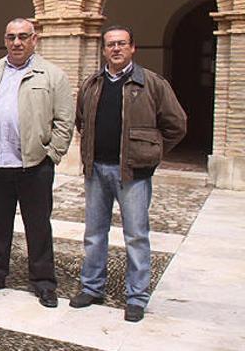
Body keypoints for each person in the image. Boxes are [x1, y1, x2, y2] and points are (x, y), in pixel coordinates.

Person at [71, 25, 186, 323]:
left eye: (122, 43)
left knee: (136, 236)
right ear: (104, 49)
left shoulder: (151, 83)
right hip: (96, 170)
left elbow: (177, 124)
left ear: (133, 48)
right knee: (94, 234)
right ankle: (92, 287)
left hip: (133, 173)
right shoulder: (92, 83)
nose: (116, 49)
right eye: (110, 44)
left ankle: (136, 297)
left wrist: (153, 151)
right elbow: (81, 120)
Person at [0, 18, 74, 308]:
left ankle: (43, 282)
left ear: (34, 39)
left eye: (23, 37)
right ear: (5, 40)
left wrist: (52, 154)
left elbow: (65, 121)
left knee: (37, 225)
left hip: (34, 165)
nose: (17, 42)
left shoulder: (52, 75)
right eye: (11, 37)